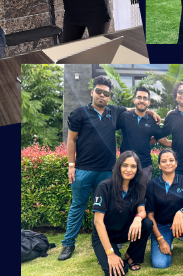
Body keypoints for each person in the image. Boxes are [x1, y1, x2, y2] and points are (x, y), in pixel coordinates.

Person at [61, 76, 158, 261]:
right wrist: (71, 166)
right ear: (92, 92)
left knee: (112, 207)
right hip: (83, 169)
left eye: (106, 93)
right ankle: (68, 244)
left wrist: (151, 112)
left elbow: (135, 109)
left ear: (109, 96)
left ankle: (109, 239)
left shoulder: (114, 112)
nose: (102, 96)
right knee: (78, 206)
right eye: (99, 92)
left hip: (107, 171)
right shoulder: (79, 113)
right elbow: (71, 140)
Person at [91, 151, 153, 275]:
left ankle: (130, 255)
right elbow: (98, 222)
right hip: (105, 234)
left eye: (133, 166)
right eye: (125, 165)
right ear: (118, 166)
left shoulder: (138, 187)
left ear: (137, 169)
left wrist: (137, 219)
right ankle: (107, 252)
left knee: (146, 223)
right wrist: (111, 254)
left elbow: (142, 211)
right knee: (118, 272)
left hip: (125, 230)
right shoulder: (104, 187)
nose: (129, 169)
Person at [145, 149, 183, 272]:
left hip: (181, 224)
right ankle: (167, 240)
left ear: (176, 163)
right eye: (164, 161)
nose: (168, 163)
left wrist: (180, 213)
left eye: (171, 160)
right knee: (159, 264)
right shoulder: (152, 184)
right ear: (159, 165)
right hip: (162, 226)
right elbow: (150, 215)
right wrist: (160, 240)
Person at [117, 86, 163, 179]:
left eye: (145, 98)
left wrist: (147, 141)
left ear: (148, 102)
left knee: (143, 193)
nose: (142, 100)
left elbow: (161, 138)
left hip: (144, 166)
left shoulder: (153, 121)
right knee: (123, 192)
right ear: (134, 100)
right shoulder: (124, 116)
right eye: (139, 97)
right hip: (125, 165)